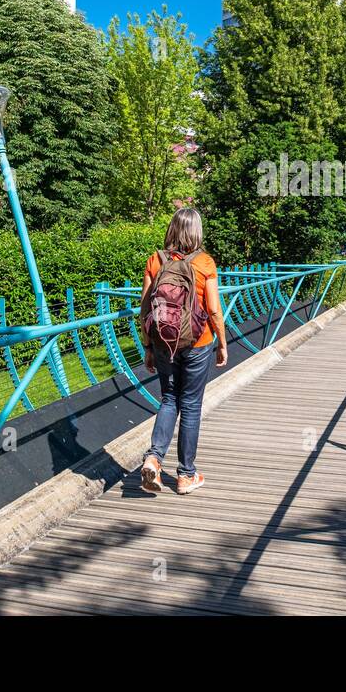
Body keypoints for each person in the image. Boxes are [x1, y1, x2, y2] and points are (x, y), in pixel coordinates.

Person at [139, 207, 227, 495]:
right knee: (190, 406)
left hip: (164, 343)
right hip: (197, 344)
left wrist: (148, 346)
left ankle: (154, 458)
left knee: (168, 400)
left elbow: (144, 310)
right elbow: (213, 309)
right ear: (197, 231)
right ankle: (186, 475)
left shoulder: (156, 260)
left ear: (172, 229)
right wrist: (222, 344)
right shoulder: (205, 262)